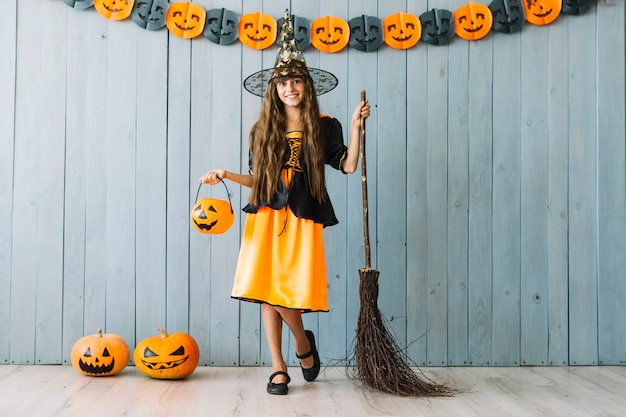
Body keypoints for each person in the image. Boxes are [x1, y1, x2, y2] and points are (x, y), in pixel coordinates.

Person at [199, 10, 370, 395]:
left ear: (306, 86)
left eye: (295, 81)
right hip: (265, 217)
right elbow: (258, 180)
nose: (289, 88)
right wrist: (225, 174)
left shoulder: (325, 125)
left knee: (283, 290)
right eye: (282, 83)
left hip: (302, 217)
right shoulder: (263, 130)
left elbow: (347, 164)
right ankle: (280, 366)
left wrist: (358, 129)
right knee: (265, 289)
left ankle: (303, 344)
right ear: (273, 90)